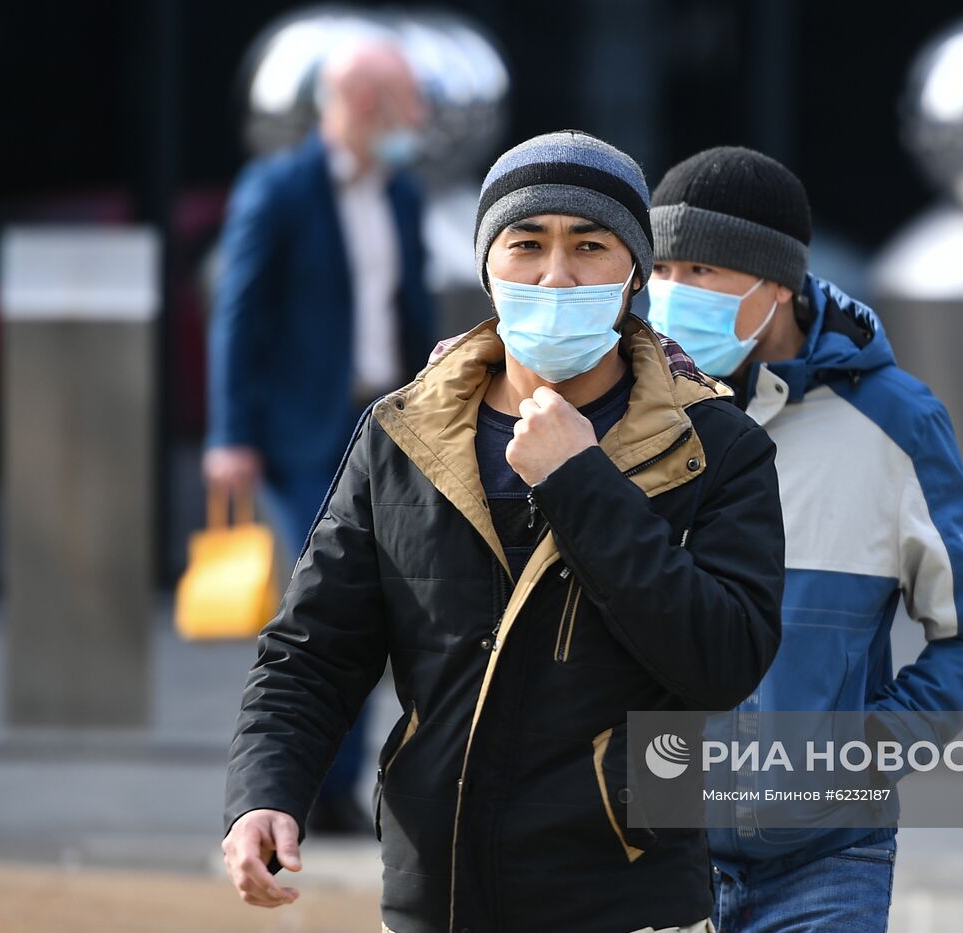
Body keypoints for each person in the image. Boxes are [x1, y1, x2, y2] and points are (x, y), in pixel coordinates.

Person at [221, 131, 786, 933]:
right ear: (490, 265)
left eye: (589, 245)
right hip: (435, 900)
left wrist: (579, 482)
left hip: (627, 904)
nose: (556, 274)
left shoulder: (714, 446)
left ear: (633, 272)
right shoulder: (403, 434)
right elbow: (312, 650)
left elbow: (723, 657)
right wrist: (265, 793)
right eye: (527, 243)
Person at [646, 146, 963, 932]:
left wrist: (865, 752)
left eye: (702, 273)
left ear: (775, 285)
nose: (669, 297)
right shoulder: (626, 410)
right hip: (651, 866)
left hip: (829, 868)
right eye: (662, 270)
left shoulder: (896, 422)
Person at [204, 40, 438, 832]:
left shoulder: (399, 192)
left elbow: (410, 311)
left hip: (386, 423)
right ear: (368, 103)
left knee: (386, 599)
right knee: (325, 604)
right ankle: (312, 786)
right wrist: (231, 434)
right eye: (411, 101)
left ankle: (337, 785)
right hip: (303, 433)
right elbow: (238, 315)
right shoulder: (278, 189)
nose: (423, 118)